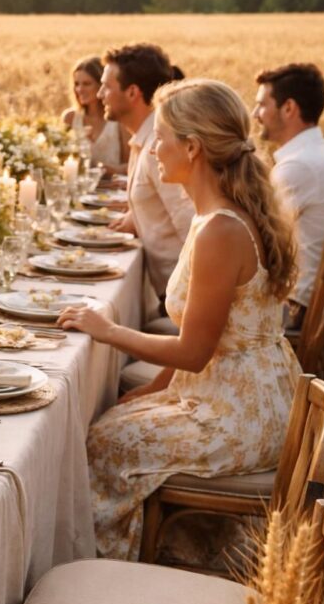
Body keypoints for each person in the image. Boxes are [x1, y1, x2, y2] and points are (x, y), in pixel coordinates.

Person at [57, 79, 299, 562]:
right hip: (222, 388)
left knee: (105, 443)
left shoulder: (222, 230)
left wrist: (108, 330)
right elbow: (203, 331)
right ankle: (150, 546)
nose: (150, 148)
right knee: (112, 419)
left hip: (241, 412)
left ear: (192, 148)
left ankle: (107, 565)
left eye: (161, 137)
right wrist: (155, 388)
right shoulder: (212, 216)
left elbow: (194, 349)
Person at [98, 43, 195, 315]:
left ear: (132, 93)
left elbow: (192, 225)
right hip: (171, 293)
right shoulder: (145, 137)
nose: (99, 94)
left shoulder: (159, 147)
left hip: (182, 299)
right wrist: (136, 216)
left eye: (106, 86)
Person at [253, 63, 324, 326]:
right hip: (306, 303)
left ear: (289, 108)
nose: (255, 113)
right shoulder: (316, 153)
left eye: (262, 105)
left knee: (195, 322)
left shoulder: (299, 166)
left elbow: (256, 241)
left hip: (295, 310)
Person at [61, 56, 127, 174]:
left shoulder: (119, 121)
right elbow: (61, 161)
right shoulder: (70, 118)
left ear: (101, 85)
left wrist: (104, 169)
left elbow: (132, 165)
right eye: (76, 84)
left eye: (86, 84)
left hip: (114, 190)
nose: (80, 89)